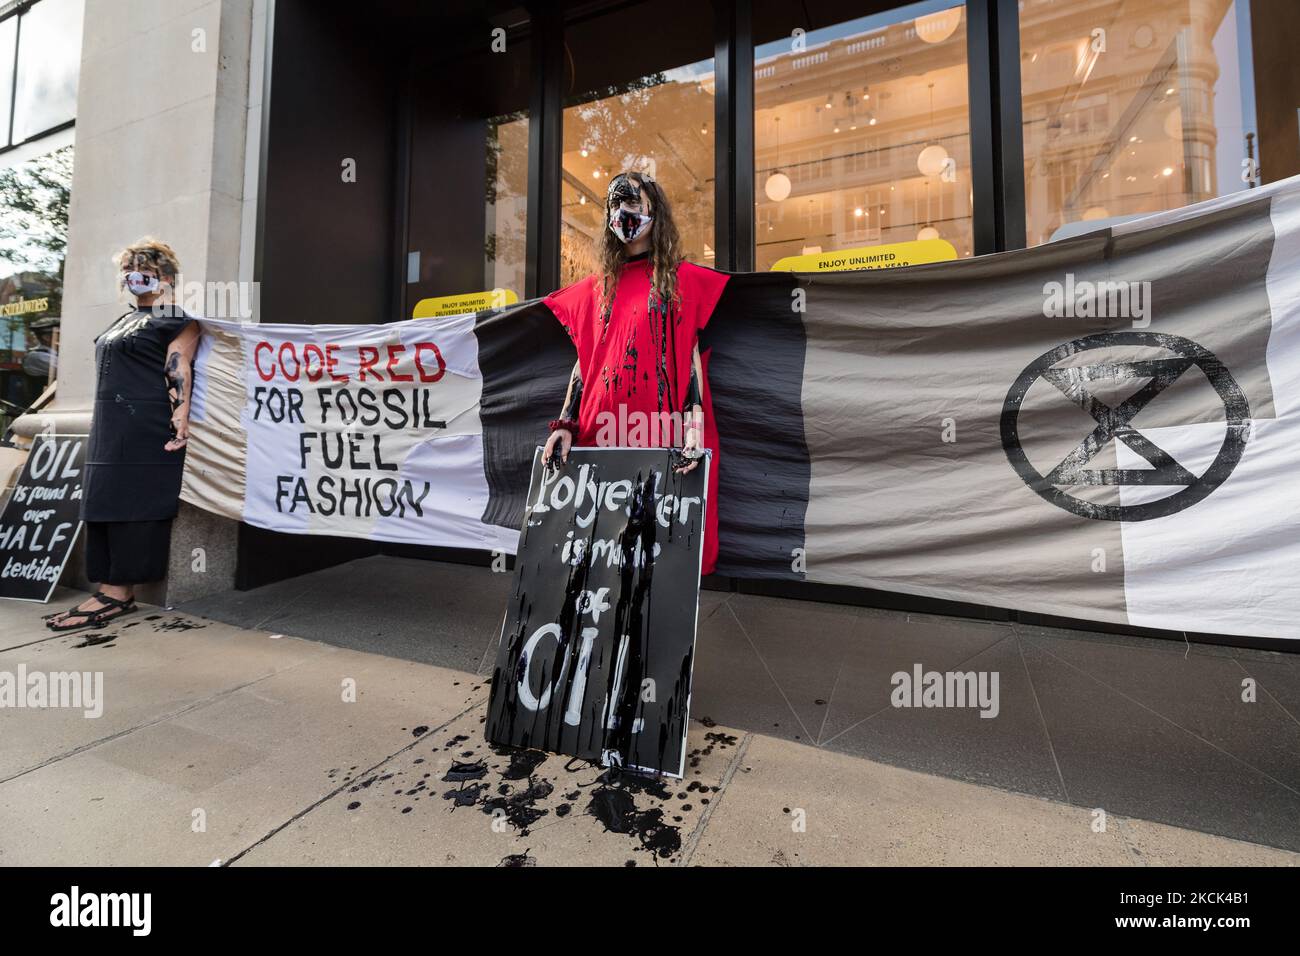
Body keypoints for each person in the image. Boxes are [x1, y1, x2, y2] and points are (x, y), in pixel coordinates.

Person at [540, 170, 730, 575]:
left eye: (632, 203)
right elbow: (586, 359)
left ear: (652, 210)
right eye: (614, 204)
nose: (623, 213)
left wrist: (694, 428)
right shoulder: (595, 289)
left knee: (657, 553)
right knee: (601, 551)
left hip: (658, 432)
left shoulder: (682, 282)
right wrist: (565, 423)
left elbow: (691, 354)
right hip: (602, 435)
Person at [46, 238, 201, 632]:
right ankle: (106, 585)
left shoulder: (177, 318)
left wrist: (179, 418)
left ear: (165, 277)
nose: (133, 276)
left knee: (133, 502)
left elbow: (178, 367)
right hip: (109, 427)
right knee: (102, 499)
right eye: (128, 269)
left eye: (144, 270)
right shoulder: (122, 321)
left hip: (145, 427)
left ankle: (118, 592)